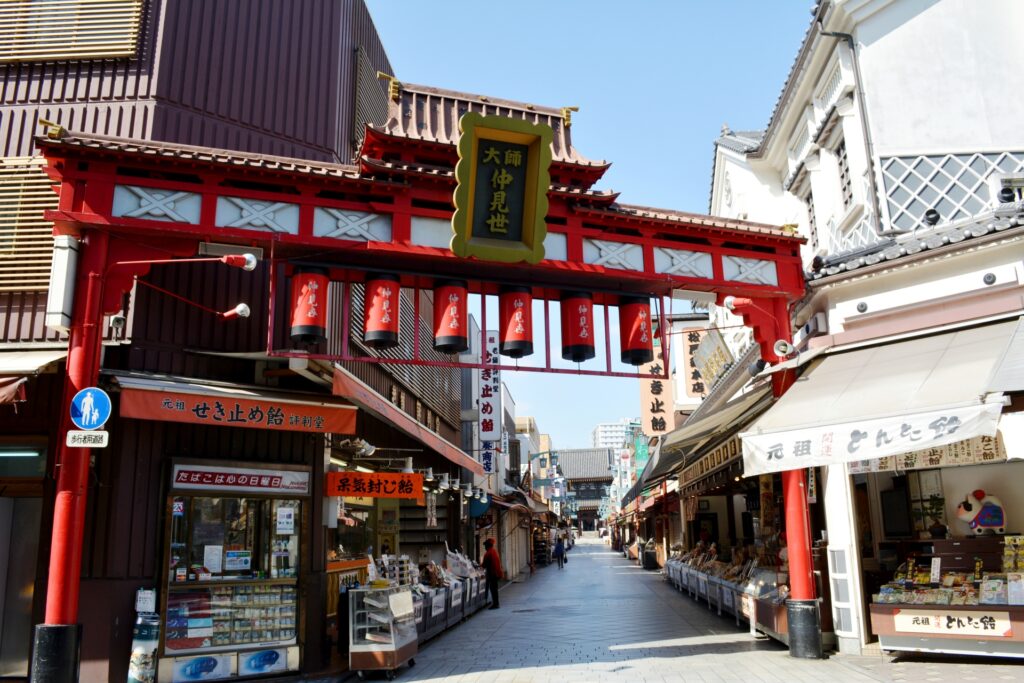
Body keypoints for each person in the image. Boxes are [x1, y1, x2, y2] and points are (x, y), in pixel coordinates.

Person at [482, 538, 503, 609]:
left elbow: (484, 565)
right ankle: (496, 603)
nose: (484, 547)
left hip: (493, 574)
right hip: (497, 573)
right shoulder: (494, 551)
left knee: (493, 589)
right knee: (494, 588)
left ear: (488, 546)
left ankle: (496, 604)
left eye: (485, 546)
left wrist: (479, 565)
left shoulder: (488, 553)